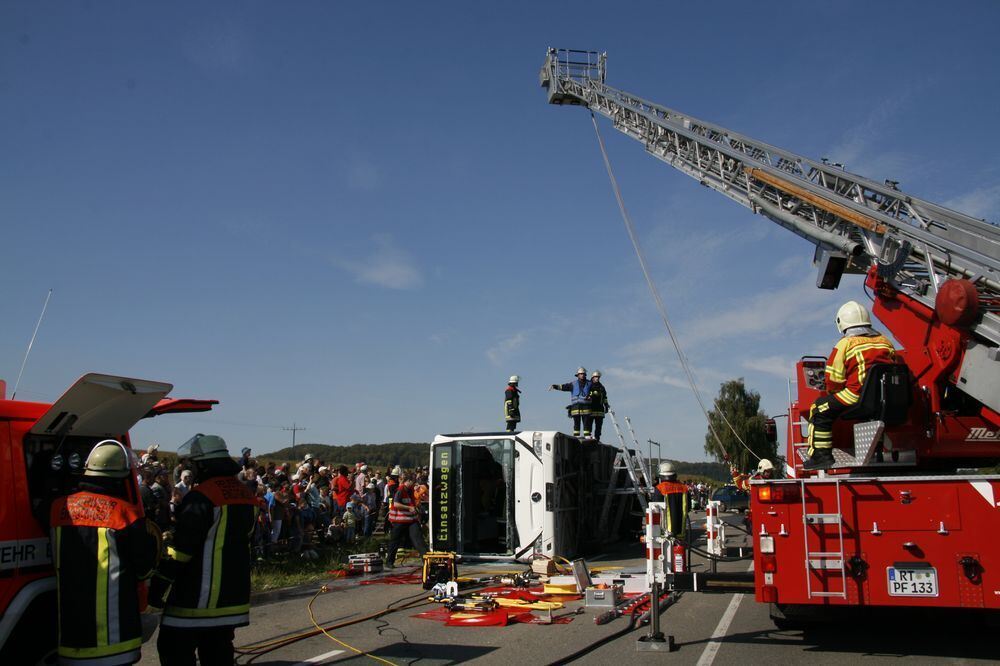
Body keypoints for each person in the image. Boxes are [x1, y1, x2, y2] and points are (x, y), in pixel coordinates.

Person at [150, 434, 257, 666]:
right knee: (218, 653)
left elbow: (182, 550)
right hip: (232, 594)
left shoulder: (201, 497)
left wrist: (157, 587)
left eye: (194, 464)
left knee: (172, 648)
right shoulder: (246, 495)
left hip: (197, 595)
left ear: (203, 464)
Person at [50, 439, 159, 666]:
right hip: (115, 640)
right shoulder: (126, 514)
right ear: (120, 476)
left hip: (70, 637)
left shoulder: (58, 509)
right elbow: (145, 567)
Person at [804, 300, 897, 470]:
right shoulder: (885, 341)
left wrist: (833, 394)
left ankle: (821, 456)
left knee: (819, 409)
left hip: (856, 394)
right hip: (886, 397)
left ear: (842, 323)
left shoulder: (845, 344)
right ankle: (878, 448)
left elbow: (834, 379)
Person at [384, 476, 428, 568]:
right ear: (407, 481)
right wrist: (409, 508)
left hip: (411, 519)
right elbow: (396, 504)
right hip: (399, 520)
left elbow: (411, 503)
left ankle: (427, 562)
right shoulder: (400, 490)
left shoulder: (410, 490)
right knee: (395, 541)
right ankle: (389, 562)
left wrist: (415, 509)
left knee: (419, 540)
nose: (414, 484)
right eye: (413, 482)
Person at [550, 367, 593, 437]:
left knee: (586, 422)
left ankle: (587, 436)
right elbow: (564, 387)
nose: (582, 375)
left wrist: (591, 395)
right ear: (578, 375)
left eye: (583, 374)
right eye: (580, 374)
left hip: (586, 407)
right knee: (576, 423)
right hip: (576, 407)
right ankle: (576, 436)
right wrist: (555, 386)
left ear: (585, 375)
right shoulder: (573, 384)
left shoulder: (590, 384)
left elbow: (594, 391)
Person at [653, 462, 689, 540]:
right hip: (681, 532)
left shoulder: (660, 488)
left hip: (665, 533)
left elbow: (655, 510)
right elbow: (688, 507)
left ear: (661, 475)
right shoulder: (684, 488)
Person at [588, 370, 610, 441]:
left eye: (598, 377)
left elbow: (604, 397)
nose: (597, 378)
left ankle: (597, 438)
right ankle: (589, 437)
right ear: (592, 377)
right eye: (595, 377)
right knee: (589, 425)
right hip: (591, 408)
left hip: (600, 410)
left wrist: (606, 405)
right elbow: (586, 395)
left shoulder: (602, 387)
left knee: (599, 426)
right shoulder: (589, 385)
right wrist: (592, 394)